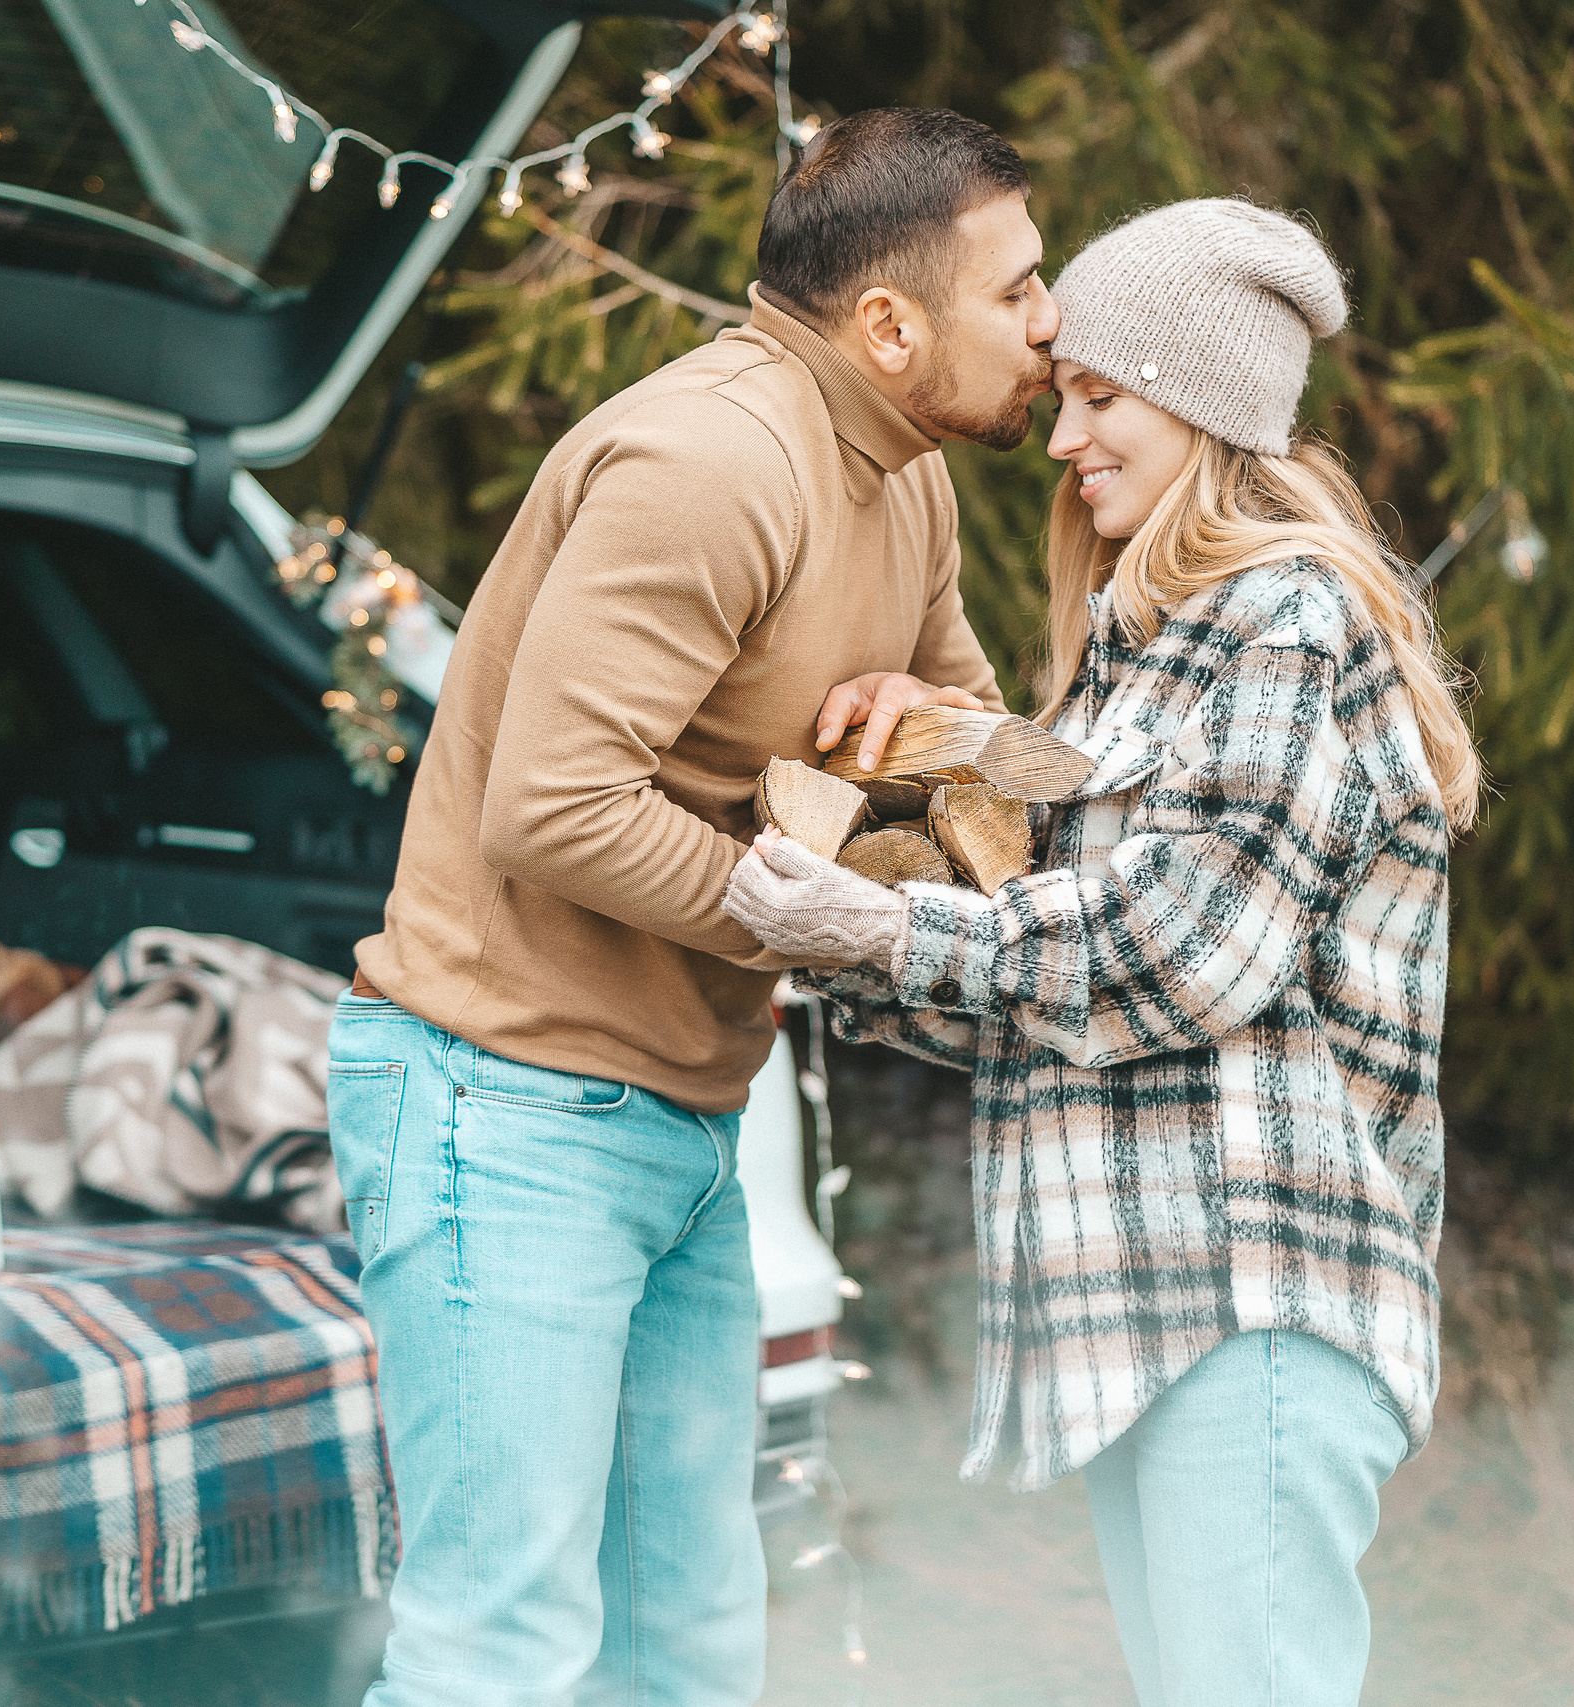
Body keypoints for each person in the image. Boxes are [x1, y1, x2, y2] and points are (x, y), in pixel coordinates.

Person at [329, 108, 1057, 1707]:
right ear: (889, 323)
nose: (1051, 324)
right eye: (1020, 287)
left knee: (686, 1649)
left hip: (682, 1120)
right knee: (498, 1650)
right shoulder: (710, 463)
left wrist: (926, 752)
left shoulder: (908, 482)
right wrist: (803, 912)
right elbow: (552, 807)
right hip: (499, 1104)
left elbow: (970, 769)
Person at [722, 197, 1484, 1707]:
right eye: (1062, 393)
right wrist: (919, 798)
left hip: (1255, 1298)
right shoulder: (1151, 648)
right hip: (1157, 1304)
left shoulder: (1289, 622)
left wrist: (879, 927)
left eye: (1099, 397)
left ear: (1200, 405)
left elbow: (1181, 954)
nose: (1062, 438)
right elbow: (1047, 976)